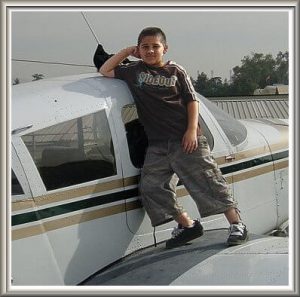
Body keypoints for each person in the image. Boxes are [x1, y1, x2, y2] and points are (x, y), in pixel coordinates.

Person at [99, 27, 248, 248]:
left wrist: (191, 130)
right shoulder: (132, 71)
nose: (150, 51)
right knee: (151, 188)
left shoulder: (176, 71)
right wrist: (127, 51)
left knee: (208, 180)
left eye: (155, 46)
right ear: (138, 49)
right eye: (145, 47)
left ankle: (236, 224)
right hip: (158, 144)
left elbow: (191, 100)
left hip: (185, 139)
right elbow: (105, 69)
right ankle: (187, 225)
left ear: (165, 49)